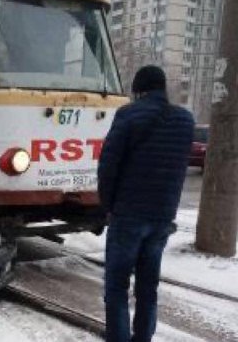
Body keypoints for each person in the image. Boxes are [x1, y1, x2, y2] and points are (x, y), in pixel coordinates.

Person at [98, 65, 195, 342]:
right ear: (163, 88)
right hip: (162, 218)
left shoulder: (128, 115)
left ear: (139, 91)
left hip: (128, 216)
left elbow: (108, 166)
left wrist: (108, 206)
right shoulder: (185, 120)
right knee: (148, 286)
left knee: (116, 287)